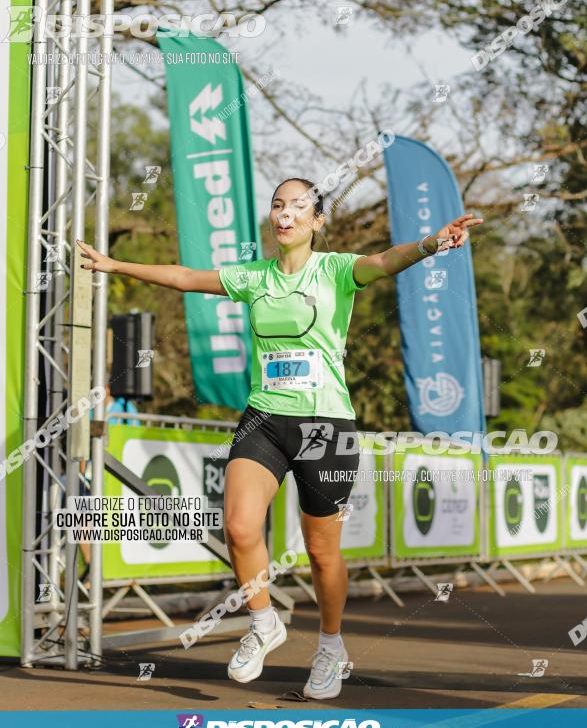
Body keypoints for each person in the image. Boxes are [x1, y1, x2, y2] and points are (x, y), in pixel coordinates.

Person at [77, 178, 483, 699]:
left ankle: (331, 647)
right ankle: (264, 621)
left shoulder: (335, 269)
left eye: (298, 207)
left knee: (321, 552)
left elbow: (385, 261)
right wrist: (116, 265)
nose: (284, 214)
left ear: (316, 222)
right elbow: (183, 276)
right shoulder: (254, 277)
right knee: (240, 527)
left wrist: (431, 243)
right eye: (277, 205)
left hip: (326, 426)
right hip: (264, 417)